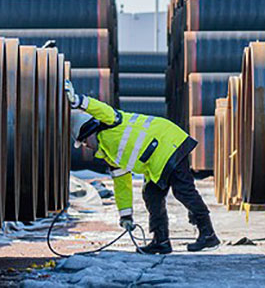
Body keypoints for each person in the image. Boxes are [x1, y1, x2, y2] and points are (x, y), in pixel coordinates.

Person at [65, 80, 219, 253]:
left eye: (84, 141)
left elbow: (101, 108)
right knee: (152, 195)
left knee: (183, 191)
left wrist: (77, 101)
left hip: (169, 143)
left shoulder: (111, 121)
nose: (85, 146)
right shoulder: (108, 154)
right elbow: (122, 184)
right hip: (157, 160)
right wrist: (126, 215)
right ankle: (161, 241)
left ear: (88, 131)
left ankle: (208, 235)